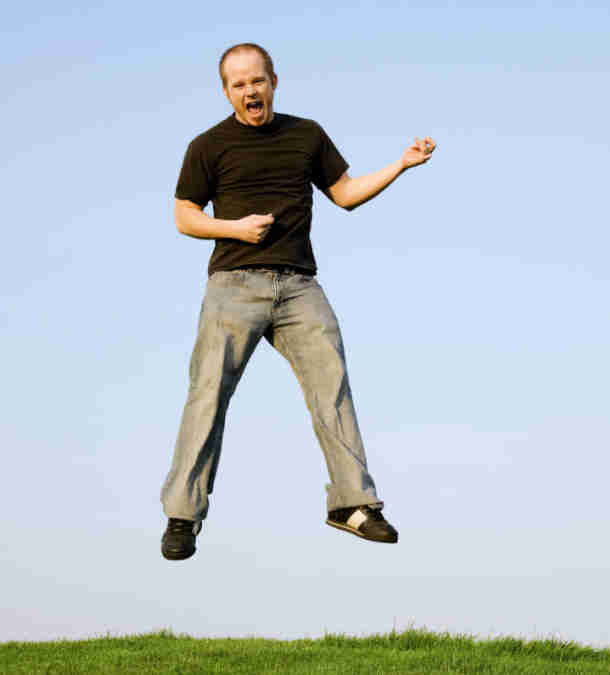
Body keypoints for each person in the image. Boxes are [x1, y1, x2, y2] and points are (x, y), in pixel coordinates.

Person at [159, 43, 436, 560]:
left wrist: (401, 164)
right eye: (238, 84)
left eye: (257, 81)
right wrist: (234, 229)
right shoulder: (208, 145)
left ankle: (352, 505)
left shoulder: (306, 134)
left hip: (299, 286)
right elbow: (183, 215)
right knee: (207, 396)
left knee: (332, 385)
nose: (250, 91)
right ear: (226, 92)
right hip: (233, 284)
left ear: (274, 82)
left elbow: (346, 193)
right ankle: (182, 516)